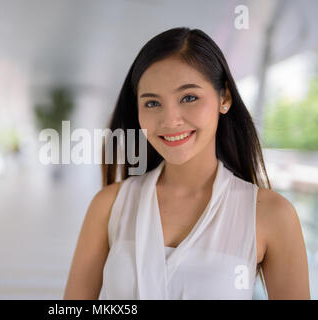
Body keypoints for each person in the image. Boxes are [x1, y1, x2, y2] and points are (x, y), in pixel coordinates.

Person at [63, 28, 310, 300]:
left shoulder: (271, 215)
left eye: (189, 97)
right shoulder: (109, 205)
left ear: (224, 98)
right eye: (152, 103)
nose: (170, 120)